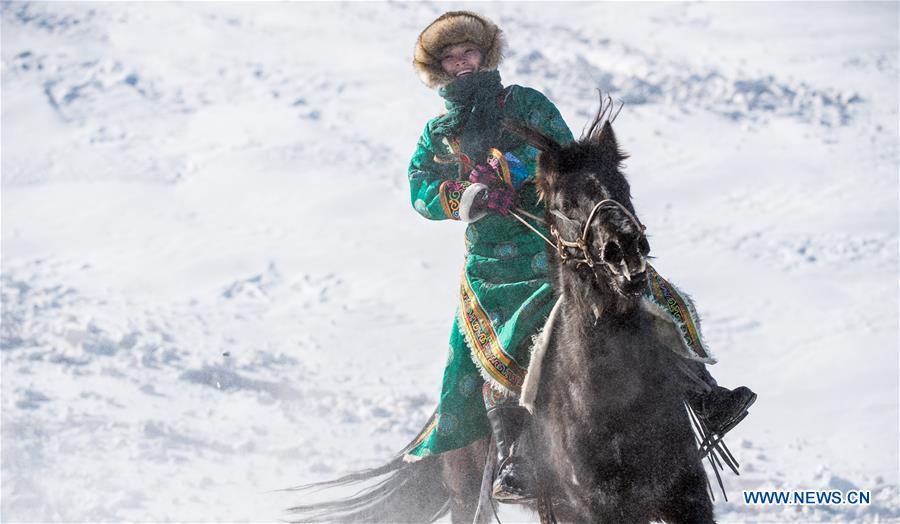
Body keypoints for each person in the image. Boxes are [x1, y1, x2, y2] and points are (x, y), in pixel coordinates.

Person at [403, 11, 756, 503]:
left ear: (485, 56)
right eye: (451, 57)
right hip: (492, 263)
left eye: (469, 52)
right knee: (507, 337)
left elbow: (564, 155)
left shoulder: (524, 102)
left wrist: (516, 173)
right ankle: (514, 457)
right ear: (439, 68)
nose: (462, 62)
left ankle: (704, 392)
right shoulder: (437, 134)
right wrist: (471, 195)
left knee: (649, 287)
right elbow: (420, 190)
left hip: (554, 238)